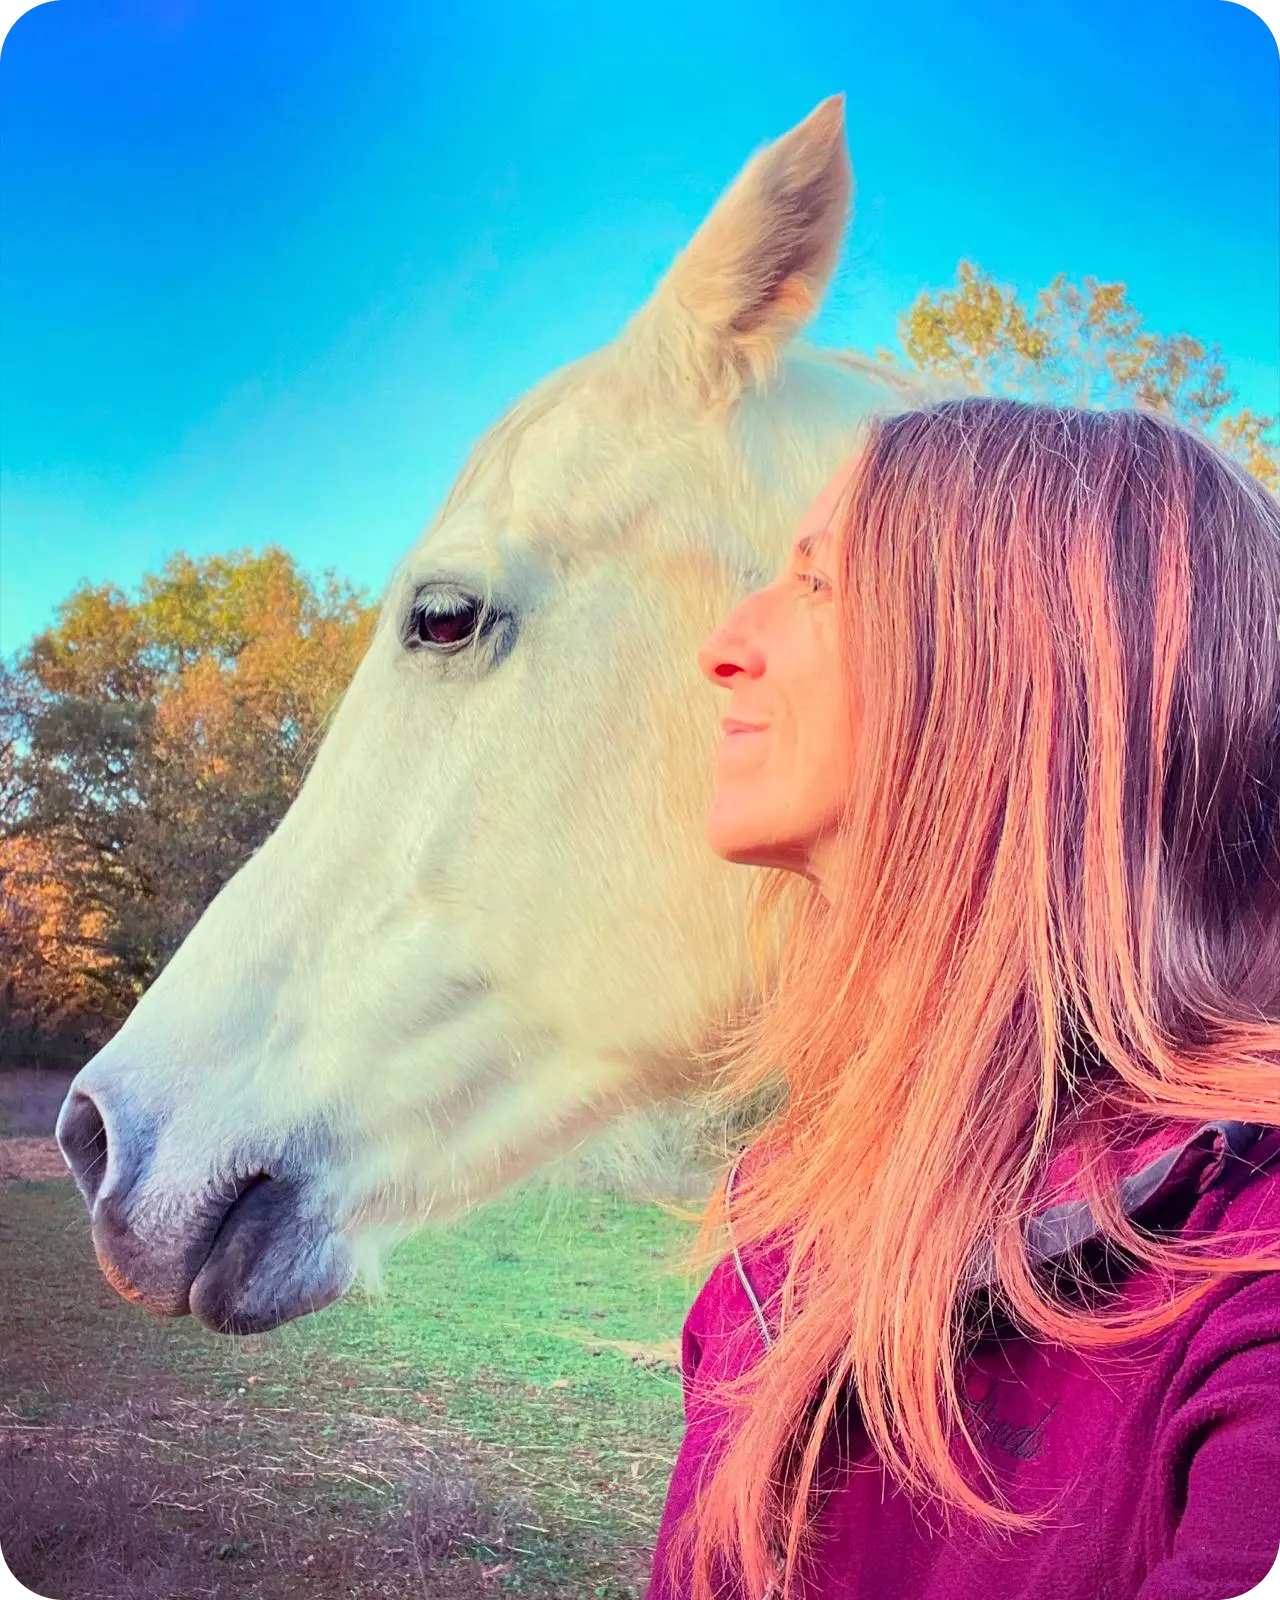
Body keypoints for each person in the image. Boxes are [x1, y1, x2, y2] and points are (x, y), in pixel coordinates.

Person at [645, 397, 1280, 1600]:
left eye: (822, 584)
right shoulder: (776, 1238)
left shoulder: (1241, 1277)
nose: (724, 642)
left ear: (1027, 668)